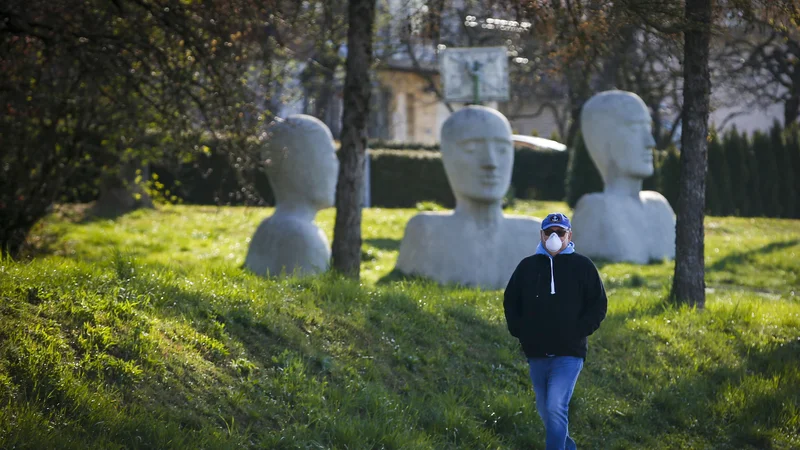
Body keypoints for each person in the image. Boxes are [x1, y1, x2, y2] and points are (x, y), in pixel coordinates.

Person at [395, 105, 541, 289]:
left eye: (502, 149)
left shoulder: (534, 236)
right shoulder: (426, 233)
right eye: (472, 149)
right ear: (447, 156)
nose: (491, 163)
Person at [504, 212, 608, 450]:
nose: (554, 236)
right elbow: (511, 301)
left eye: (559, 232)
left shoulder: (583, 266)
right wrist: (520, 331)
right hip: (536, 352)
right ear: (541, 235)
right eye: (549, 232)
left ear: (568, 235)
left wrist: (579, 331)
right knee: (545, 410)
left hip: (569, 353)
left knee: (555, 407)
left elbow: (598, 304)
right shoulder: (527, 266)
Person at [571, 90, 675, 264]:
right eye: (635, 129)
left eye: (648, 128)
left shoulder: (659, 207)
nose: (650, 143)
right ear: (603, 140)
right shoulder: (595, 209)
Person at [244, 114, 339, 277]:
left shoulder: (266, 226)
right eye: (329, 156)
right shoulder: (305, 238)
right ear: (301, 167)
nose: (335, 166)